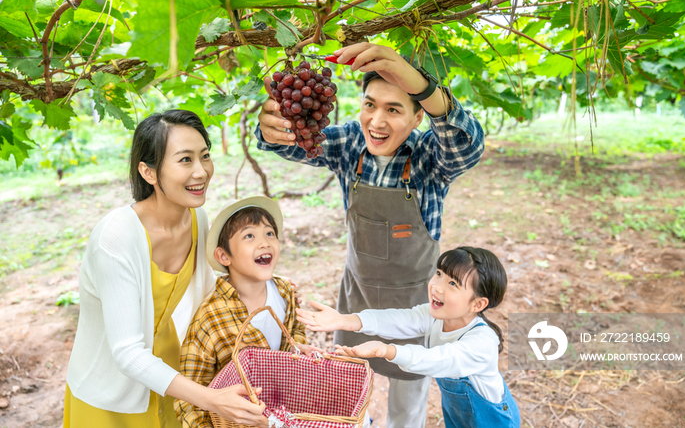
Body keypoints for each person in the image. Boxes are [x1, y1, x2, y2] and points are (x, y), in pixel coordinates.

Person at [255, 43, 485, 427]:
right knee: (349, 386)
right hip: (358, 295)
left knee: (407, 400)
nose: (376, 121)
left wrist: (425, 89)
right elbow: (289, 141)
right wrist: (274, 127)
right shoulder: (349, 145)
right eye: (369, 104)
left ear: (417, 119)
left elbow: (468, 145)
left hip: (416, 303)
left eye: (393, 109)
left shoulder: (430, 157)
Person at [63, 110, 269, 428]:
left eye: (205, 156)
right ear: (148, 171)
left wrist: (276, 296)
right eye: (185, 160)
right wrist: (210, 398)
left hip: (174, 377)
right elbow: (128, 352)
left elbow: (213, 289)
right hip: (111, 392)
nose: (201, 171)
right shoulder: (116, 237)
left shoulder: (196, 219)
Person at [297, 246, 520, 428]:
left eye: (452, 283)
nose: (437, 287)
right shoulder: (436, 315)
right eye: (439, 274)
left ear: (478, 304)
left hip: (492, 421)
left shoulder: (481, 342)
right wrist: (346, 321)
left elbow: (436, 360)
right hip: (457, 413)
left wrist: (386, 350)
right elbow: (398, 320)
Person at [175, 196, 319, 427]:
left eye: (269, 233)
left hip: (281, 413)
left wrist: (297, 347)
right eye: (249, 236)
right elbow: (191, 391)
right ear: (224, 256)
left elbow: (295, 329)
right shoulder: (211, 317)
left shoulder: (284, 292)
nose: (264, 243)